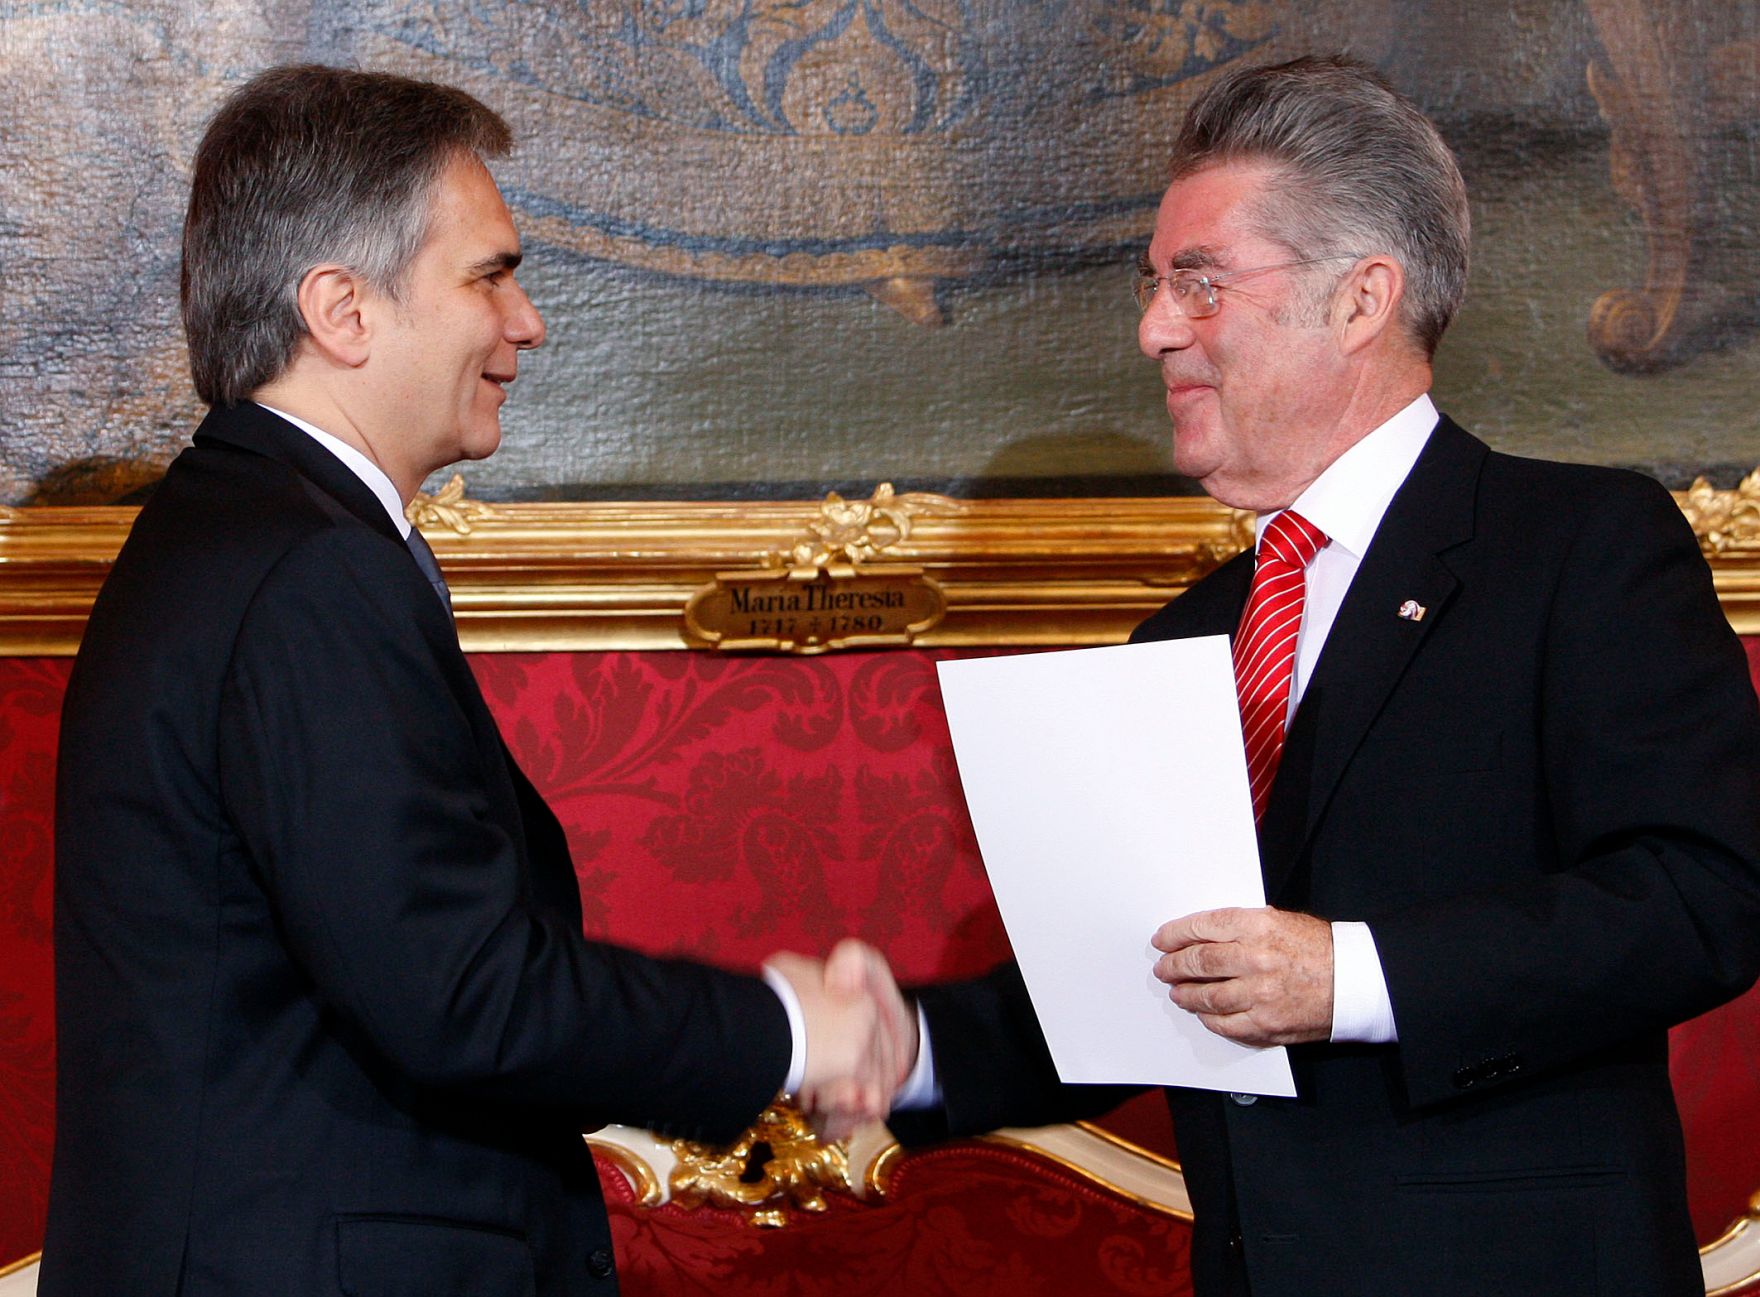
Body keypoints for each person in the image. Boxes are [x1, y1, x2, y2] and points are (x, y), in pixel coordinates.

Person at [869, 55, 1760, 1297]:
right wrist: (887, 1048)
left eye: (1198, 283)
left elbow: (1701, 896)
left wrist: (1346, 977)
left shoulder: (1580, 549)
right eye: (1152, 285)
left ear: (1359, 300)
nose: (1152, 327)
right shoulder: (1188, 633)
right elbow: (1140, 984)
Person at [42, 64, 911, 1297]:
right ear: (342, 309)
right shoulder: (304, 569)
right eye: (488, 275)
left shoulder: (248, 533)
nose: (527, 322)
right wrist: (785, 1028)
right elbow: (456, 990)